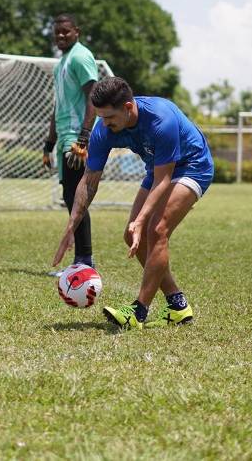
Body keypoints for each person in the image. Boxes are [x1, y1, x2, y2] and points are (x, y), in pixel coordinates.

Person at [52, 77, 214, 330]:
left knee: (157, 230)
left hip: (192, 166)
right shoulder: (103, 129)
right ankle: (177, 305)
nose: (105, 124)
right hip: (157, 168)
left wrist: (141, 220)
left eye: (109, 118)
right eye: (101, 118)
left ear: (128, 107)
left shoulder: (161, 119)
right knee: (132, 237)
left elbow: (164, 180)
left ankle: (137, 312)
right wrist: (72, 223)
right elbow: (89, 180)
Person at [41, 14, 99, 275]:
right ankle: (81, 258)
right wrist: (48, 144)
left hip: (77, 137)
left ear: (77, 31)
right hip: (64, 137)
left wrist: (84, 137)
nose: (61, 36)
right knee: (68, 196)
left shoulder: (80, 56)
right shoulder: (61, 63)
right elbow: (59, 106)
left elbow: (93, 97)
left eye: (66, 31)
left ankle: (84, 260)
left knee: (76, 198)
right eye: (57, 32)